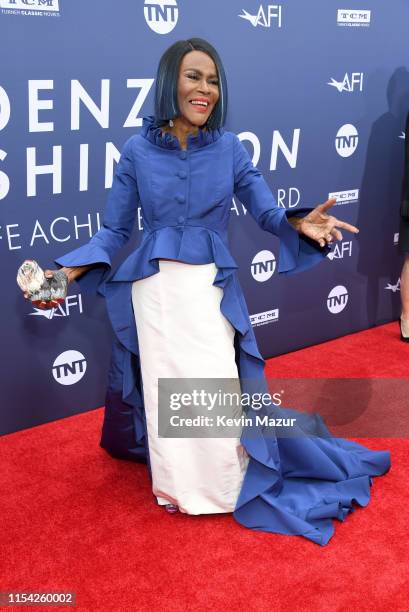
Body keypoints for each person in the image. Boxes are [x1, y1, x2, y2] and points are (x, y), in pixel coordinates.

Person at [23, 38, 390, 546]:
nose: (205, 90)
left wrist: (301, 222)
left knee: (219, 393)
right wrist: (63, 276)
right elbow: (112, 232)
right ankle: (175, 487)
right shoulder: (136, 150)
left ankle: (222, 486)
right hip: (154, 294)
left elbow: (265, 211)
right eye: (194, 76)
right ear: (170, 81)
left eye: (213, 80)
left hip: (207, 291)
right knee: (164, 392)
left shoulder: (231, 148)